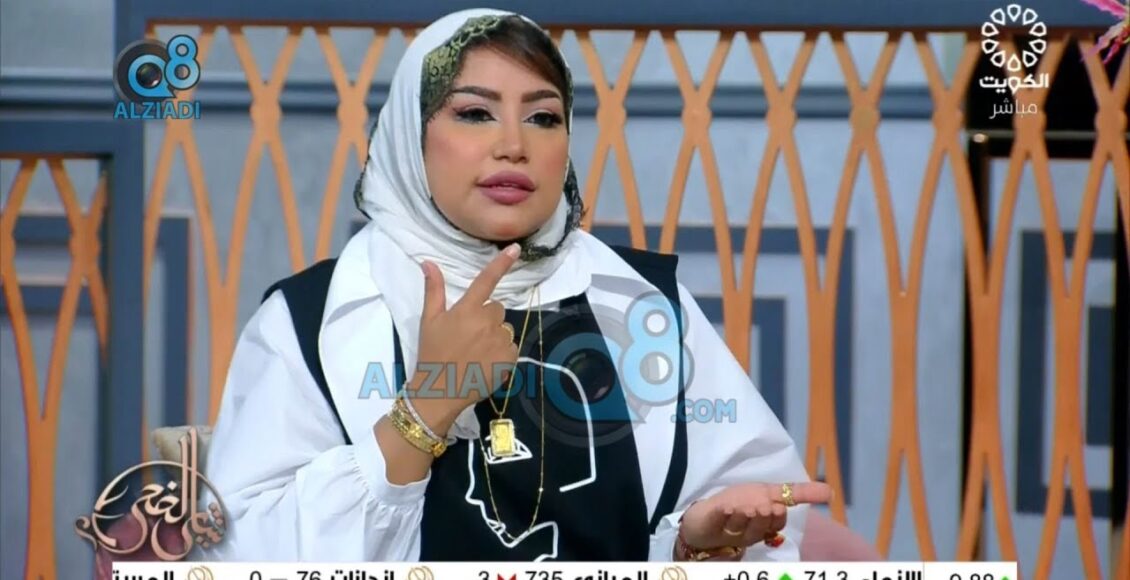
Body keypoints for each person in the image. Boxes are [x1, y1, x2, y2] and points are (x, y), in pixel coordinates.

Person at [201, 7, 831, 563]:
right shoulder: (311, 319)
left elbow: (731, 506)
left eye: (543, 117)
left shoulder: (642, 302)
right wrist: (426, 409)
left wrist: (699, 545)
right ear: (411, 137)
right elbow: (242, 550)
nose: (513, 145)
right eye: (475, 113)